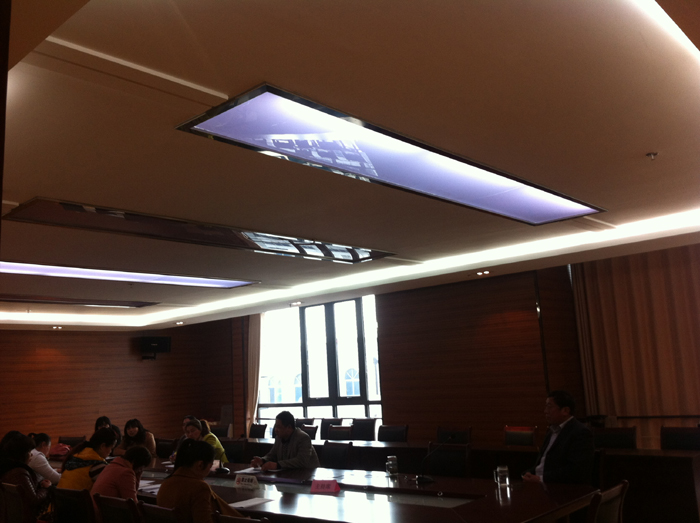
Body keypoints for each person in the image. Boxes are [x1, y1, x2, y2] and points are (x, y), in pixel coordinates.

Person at [157, 439, 243, 523]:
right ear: (200, 465)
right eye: (210, 466)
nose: (209, 471)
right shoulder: (199, 487)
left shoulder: (165, 483)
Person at [522, 390, 594, 484]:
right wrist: (529, 473)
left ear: (565, 411)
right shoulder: (551, 431)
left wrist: (540, 479)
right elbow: (543, 463)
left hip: (562, 487)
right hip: (541, 483)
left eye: (549, 407)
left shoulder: (580, 432)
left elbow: (576, 470)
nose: (545, 411)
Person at [0, 431, 51, 518]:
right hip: (24, 517)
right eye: (29, 451)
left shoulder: (5, 467)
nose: (31, 454)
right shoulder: (19, 473)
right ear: (21, 454)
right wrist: (46, 488)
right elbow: (34, 500)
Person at [251, 411, 319, 470]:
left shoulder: (303, 438)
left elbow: (301, 461)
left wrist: (278, 465)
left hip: (308, 475)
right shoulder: (278, 438)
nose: (276, 430)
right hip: (290, 474)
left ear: (289, 427)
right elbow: (272, 455)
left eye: (279, 427)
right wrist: (263, 460)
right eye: (275, 426)